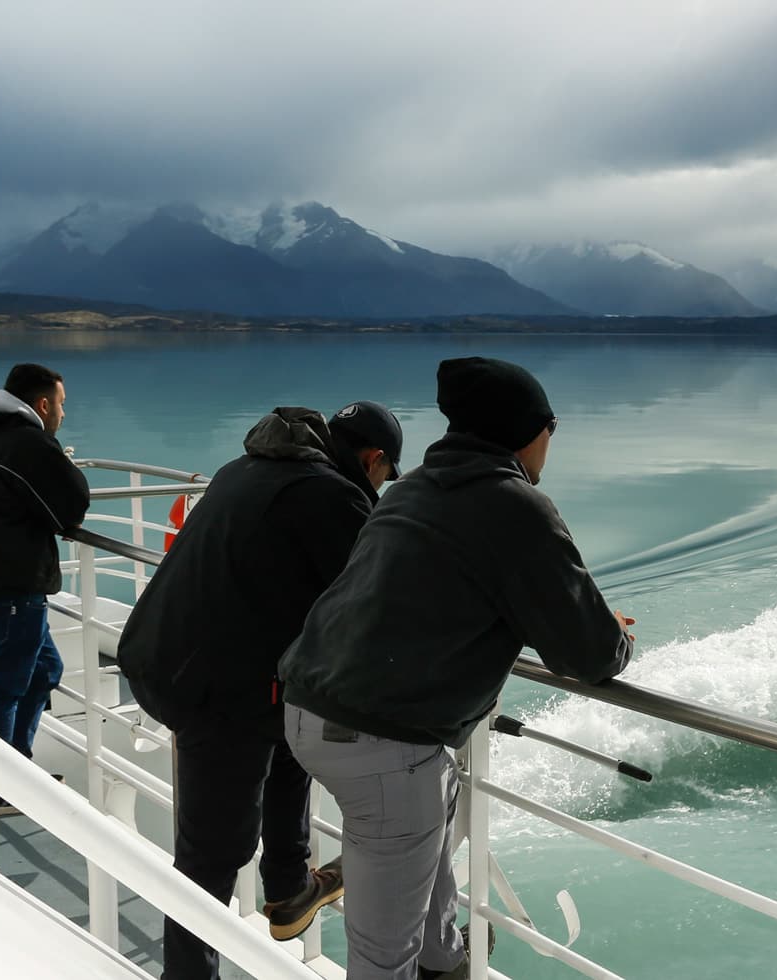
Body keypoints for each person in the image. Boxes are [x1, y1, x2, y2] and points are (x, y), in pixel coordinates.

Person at [279, 356, 636, 980]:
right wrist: (615, 637)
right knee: (382, 957)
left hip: (310, 708)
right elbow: (588, 654)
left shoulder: (412, 487)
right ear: (529, 431)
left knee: (426, 833)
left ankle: (447, 962)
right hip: (383, 740)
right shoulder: (515, 505)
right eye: (553, 427)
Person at [118, 401, 404, 980]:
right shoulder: (334, 499)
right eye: (385, 476)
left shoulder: (245, 468)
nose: (380, 487)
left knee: (293, 729)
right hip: (211, 687)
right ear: (374, 460)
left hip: (162, 652)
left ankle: (289, 887)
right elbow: (371, 603)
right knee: (212, 856)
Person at [0, 362, 90, 817]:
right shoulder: (26, 442)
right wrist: (63, 463)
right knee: (6, 684)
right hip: (10, 584)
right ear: (43, 403)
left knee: (44, 669)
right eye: (62, 405)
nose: (64, 415)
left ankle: (18, 769)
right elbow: (72, 501)